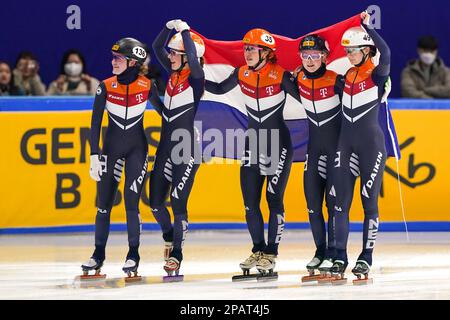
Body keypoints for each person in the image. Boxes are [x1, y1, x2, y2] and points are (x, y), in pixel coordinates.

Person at [205, 28, 300, 281]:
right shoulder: (241, 73)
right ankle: (258, 250)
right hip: (253, 145)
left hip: (278, 143)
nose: (247, 53)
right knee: (249, 203)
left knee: (273, 200)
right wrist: (192, 72)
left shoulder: (280, 75)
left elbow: (308, 98)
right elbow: (215, 88)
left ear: (267, 53)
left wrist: (306, 77)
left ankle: (271, 252)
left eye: (252, 49)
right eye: (245, 48)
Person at [81, 37, 164, 281]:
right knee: (103, 203)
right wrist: (94, 155)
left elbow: (167, 115)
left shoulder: (148, 86)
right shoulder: (105, 86)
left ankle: (133, 254)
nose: (112, 61)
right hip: (110, 150)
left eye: (118, 58)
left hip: (138, 149)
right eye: (113, 57)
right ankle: (98, 254)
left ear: (132, 62)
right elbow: (95, 123)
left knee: (131, 202)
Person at [331, 10, 391, 284]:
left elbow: (387, 53)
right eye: (347, 50)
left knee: (369, 203)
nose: (349, 55)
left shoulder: (378, 75)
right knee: (339, 204)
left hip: (371, 145)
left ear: (367, 50)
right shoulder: (344, 78)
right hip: (346, 144)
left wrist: (367, 28)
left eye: (354, 50)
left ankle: (366, 257)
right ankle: (340, 256)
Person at [150, 19, 205, 280]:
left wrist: (185, 32)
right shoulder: (172, 76)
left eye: (175, 54)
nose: (170, 56)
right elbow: (155, 46)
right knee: (154, 203)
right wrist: (167, 27)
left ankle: (177, 255)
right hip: (165, 147)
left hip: (187, 148)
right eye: (171, 53)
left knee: (178, 202)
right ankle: (169, 237)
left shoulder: (196, 79)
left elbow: (193, 61)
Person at [294, 35, 344, 281]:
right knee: (313, 205)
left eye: (315, 55)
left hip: (336, 150)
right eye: (305, 56)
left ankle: (335, 252)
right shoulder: (299, 79)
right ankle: (320, 250)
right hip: (313, 151)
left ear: (325, 56)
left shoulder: (336, 80)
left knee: (334, 206)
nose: (310, 60)